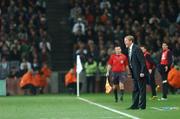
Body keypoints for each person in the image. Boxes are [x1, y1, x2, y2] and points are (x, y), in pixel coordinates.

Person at [124, 35, 148, 109]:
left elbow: (142, 61)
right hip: (134, 73)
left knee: (142, 89)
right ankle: (135, 105)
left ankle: (142, 106)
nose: (125, 42)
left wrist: (142, 72)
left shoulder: (137, 48)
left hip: (140, 73)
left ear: (131, 41)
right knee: (135, 89)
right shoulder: (129, 49)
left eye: (126, 41)